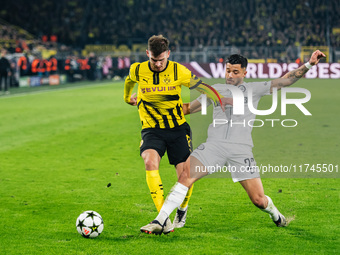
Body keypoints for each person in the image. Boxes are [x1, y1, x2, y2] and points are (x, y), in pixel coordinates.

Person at [140, 50, 326, 235]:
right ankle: (161, 219)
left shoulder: (255, 89)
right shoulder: (214, 90)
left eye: (235, 71)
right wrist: (152, 102)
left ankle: (276, 215)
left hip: (241, 150)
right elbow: (187, 109)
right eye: (228, 70)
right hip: (214, 146)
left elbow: (285, 80)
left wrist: (309, 64)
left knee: (258, 200)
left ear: (245, 73)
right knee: (186, 176)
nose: (230, 75)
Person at [124, 35, 223, 234]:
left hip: (178, 129)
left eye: (162, 60)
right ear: (147, 55)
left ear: (168, 54)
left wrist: (220, 103)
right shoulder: (137, 69)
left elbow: (205, 88)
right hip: (152, 129)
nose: (158, 64)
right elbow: (129, 81)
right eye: (154, 60)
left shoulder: (179, 71)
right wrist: (127, 98)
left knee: (185, 174)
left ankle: (182, 209)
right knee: (150, 162)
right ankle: (163, 218)